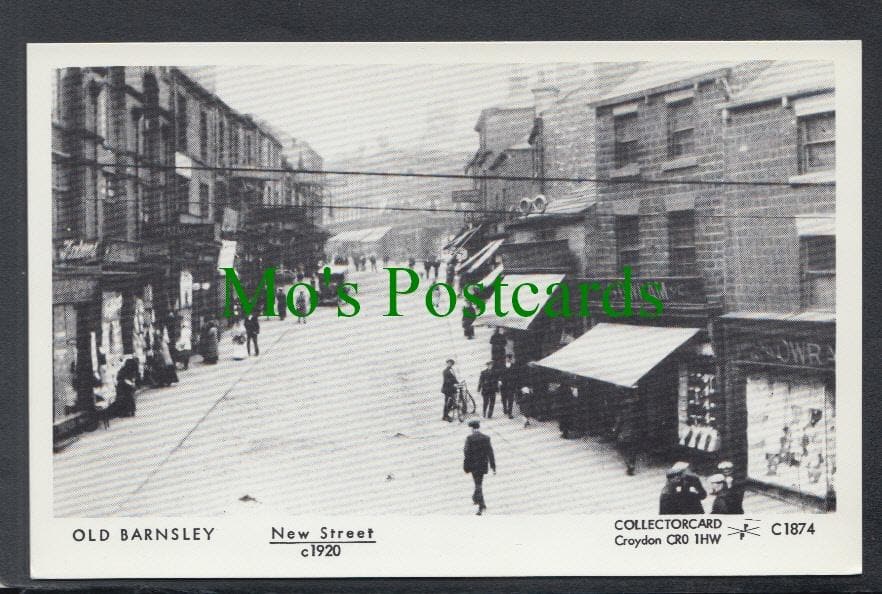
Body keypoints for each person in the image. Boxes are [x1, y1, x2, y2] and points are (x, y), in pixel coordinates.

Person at [463, 420, 496, 515]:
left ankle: (481, 505)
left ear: (472, 429)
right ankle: (477, 499)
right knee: (479, 483)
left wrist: (466, 466)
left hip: (474, 465)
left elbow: (466, 453)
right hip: (483, 465)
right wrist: (493, 466)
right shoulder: (486, 438)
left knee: (478, 484)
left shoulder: (469, 439)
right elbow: (490, 453)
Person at [499, 354, 519, 419]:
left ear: (511, 359)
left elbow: (516, 375)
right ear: (505, 359)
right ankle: (505, 408)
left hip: (511, 386)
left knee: (510, 399)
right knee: (504, 399)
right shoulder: (502, 366)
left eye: (509, 358)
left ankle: (510, 413)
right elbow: (499, 374)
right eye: (507, 358)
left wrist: (514, 382)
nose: (508, 359)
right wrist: (499, 380)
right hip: (503, 386)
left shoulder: (514, 366)